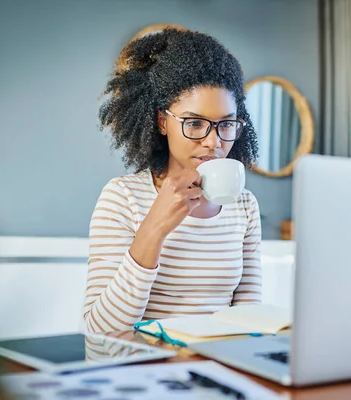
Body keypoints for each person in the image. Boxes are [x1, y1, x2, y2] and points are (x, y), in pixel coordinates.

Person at [84, 28, 262, 333]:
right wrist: (154, 227)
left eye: (226, 124)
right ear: (163, 122)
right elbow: (100, 330)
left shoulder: (244, 205)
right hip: (145, 371)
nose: (213, 142)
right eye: (194, 123)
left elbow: (251, 321)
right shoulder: (122, 198)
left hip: (215, 369)